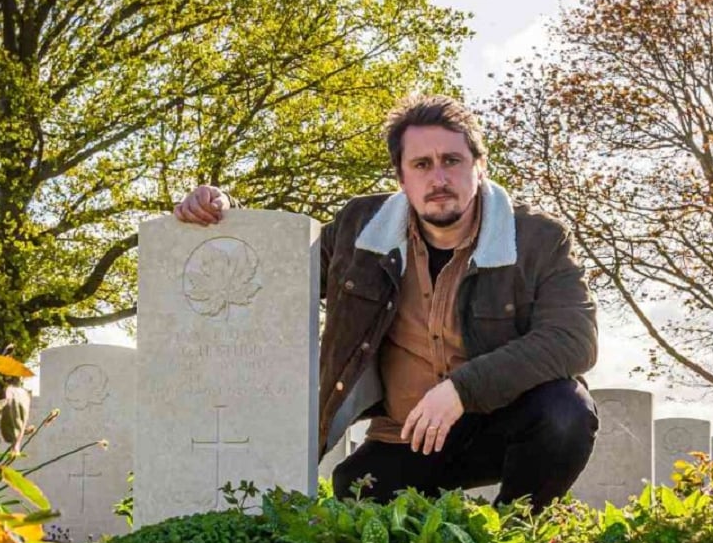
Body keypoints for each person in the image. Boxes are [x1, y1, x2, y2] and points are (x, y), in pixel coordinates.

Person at [174, 94, 599, 509]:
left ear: (479, 166)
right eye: (421, 165)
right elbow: (276, 270)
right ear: (401, 176)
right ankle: (436, 530)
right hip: (404, 435)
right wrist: (227, 215)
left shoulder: (539, 238)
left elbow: (574, 339)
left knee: (566, 413)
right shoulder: (358, 228)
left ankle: (512, 532)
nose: (439, 179)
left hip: (499, 424)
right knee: (356, 490)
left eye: (452, 161)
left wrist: (461, 390)